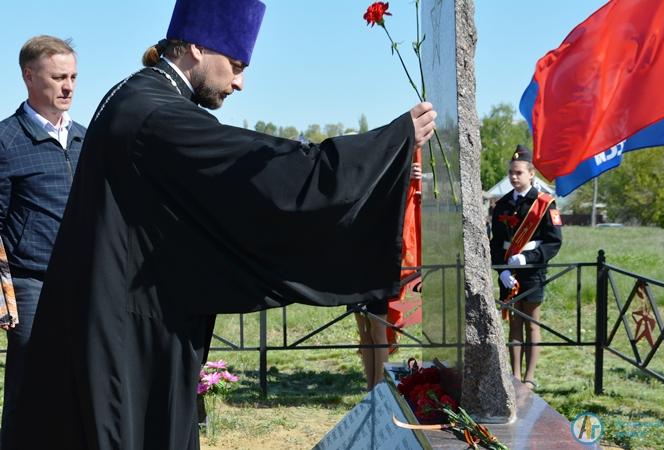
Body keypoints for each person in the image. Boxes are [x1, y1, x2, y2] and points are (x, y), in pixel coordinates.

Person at [11, 1, 437, 449]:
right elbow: (271, 175)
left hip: (120, 321)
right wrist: (389, 142)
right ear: (196, 46)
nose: (239, 81)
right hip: (125, 341)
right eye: (235, 64)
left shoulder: (137, 97)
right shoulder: (154, 113)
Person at [0, 35, 84, 447]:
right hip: (30, 282)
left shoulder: (89, 139)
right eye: (58, 77)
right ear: (29, 77)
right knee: (28, 379)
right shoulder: (5, 141)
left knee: (81, 376)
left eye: (72, 77)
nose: (68, 86)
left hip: (85, 279)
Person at [489, 145, 562, 390]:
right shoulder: (501, 205)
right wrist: (502, 269)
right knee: (514, 323)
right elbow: (495, 243)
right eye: (511, 172)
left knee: (531, 322)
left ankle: (529, 378)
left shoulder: (544, 204)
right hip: (509, 270)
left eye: (519, 172)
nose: (513, 177)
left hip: (532, 271)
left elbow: (554, 242)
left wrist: (529, 258)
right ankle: (515, 376)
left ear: (531, 174)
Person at [354, 159, 422, 391]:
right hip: (352, 266)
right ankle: (369, 387)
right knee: (364, 333)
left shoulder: (382, 185)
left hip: (377, 266)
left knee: (377, 330)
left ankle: (379, 388)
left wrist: (410, 176)